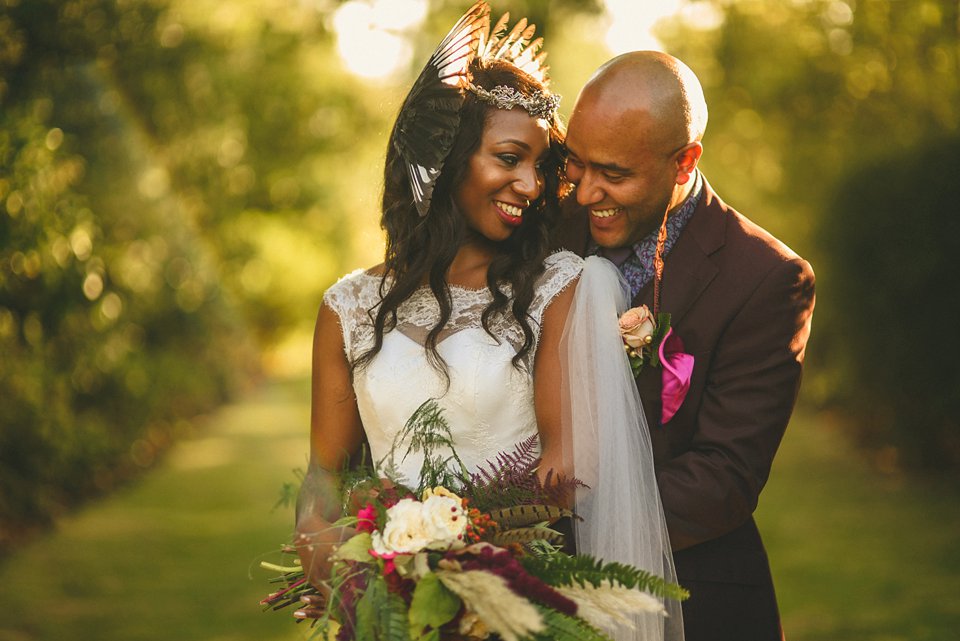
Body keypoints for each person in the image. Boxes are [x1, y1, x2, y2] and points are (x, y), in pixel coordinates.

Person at [294, 5, 680, 641]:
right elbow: (323, 472)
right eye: (509, 158)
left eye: (539, 166)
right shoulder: (348, 308)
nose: (531, 185)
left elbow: (562, 480)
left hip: (512, 606)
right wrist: (327, 554)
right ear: (443, 161)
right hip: (382, 617)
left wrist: (455, 566)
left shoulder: (558, 290)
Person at [556, 51, 816, 641]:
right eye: (577, 165)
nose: (585, 191)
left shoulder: (766, 279)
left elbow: (724, 475)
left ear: (684, 162)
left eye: (614, 174)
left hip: (691, 600)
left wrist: (544, 532)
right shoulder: (550, 227)